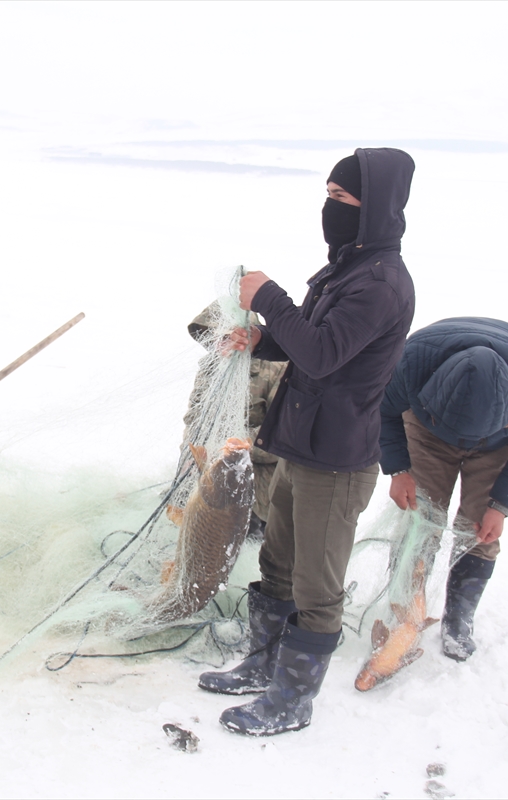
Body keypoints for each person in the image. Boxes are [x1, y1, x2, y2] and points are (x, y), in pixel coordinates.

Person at [199, 148, 416, 736]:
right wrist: (261, 339)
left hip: (337, 461)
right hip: (300, 442)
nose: (330, 206)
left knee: (316, 587)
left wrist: (268, 297)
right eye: (327, 194)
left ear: (374, 206)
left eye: (341, 197)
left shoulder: (381, 283)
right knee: (277, 564)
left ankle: (292, 700)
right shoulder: (349, 268)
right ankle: (263, 665)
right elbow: (314, 341)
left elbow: (321, 355)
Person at [379, 317, 508, 661]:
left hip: (498, 442)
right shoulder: (412, 360)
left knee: (479, 528)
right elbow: (382, 410)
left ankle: (459, 618)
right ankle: (405, 614)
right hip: (429, 429)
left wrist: (501, 505)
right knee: (420, 518)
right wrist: (398, 469)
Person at [183, 306, 284, 539]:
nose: (221, 344)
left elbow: (281, 438)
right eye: (216, 337)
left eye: (229, 336)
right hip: (212, 472)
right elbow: (193, 419)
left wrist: (229, 450)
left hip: (257, 481)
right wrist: (190, 456)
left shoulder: (277, 370)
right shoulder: (210, 369)